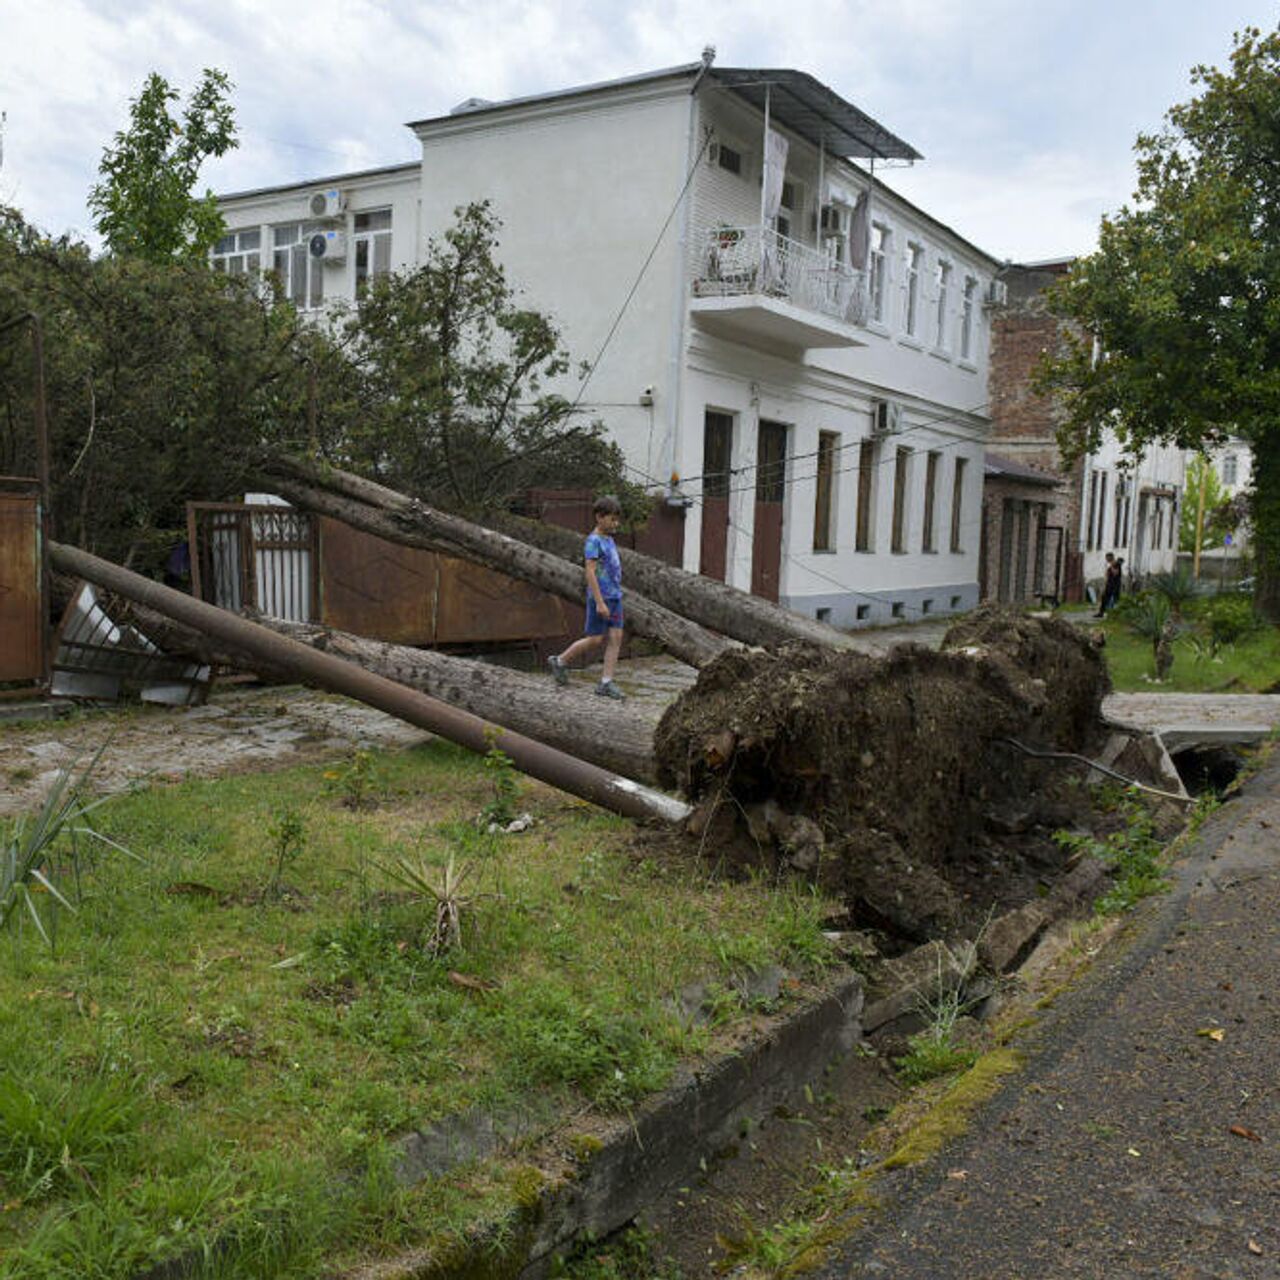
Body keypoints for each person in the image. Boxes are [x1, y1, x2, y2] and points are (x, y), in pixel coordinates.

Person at [547, 495, 627, 699]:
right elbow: (590, 572)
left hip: (615, 597)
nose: (615, 523)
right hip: (600, 598)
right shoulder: (593, 541)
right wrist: (599, 602)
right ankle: (560, 661)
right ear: (600, 517)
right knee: (595, 639)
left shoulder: (609, 538)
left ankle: (606, 682)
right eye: (612, 519)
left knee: (616, 637)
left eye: (617, 519)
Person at [1095, 552, 1122, 617]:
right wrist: (1105, 584)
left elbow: (1115, 573)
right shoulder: (1110, 565)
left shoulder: (1116, 564)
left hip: (1115, 585)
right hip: (1109, 584)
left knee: (1114, 599)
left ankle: (1114, 614)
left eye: (1107, 558)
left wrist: (1112, 566)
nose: (1106, 559)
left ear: (1111, 557)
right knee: (1104, 598)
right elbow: (1108, 575)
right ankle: (1101, 613)